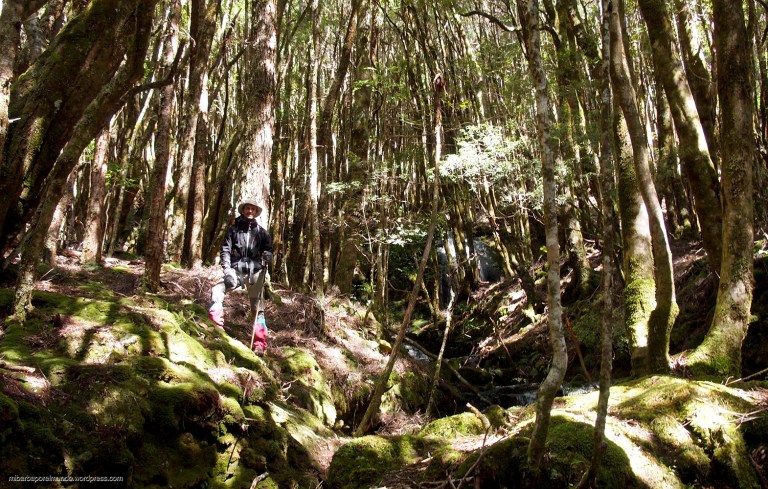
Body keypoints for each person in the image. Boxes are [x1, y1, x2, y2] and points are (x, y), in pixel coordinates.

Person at [208, 198, 273, 353]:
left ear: (256, 212)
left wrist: (268, 255)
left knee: (257, 307)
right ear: (243, 211)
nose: (250, 211)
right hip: (236, 271)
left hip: (255, 272)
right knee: (217, 290)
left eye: (253, 209)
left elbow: (269, 249)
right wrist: (227, 270)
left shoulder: (262, 233)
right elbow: (225, 250)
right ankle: (216, 328)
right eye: (247, 209)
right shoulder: (233, 230)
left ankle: (259, 343)